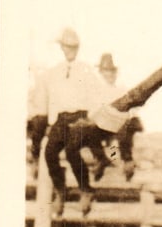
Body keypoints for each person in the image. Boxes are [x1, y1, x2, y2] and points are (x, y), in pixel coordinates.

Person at [32, 27, 107, 216]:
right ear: (62, 48)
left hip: (80, 117)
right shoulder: (55, 71)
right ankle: (60, 190)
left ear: (78, 48)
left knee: (73, 149)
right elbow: (49, 98)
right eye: (66, 47)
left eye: (73, 47)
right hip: (62, 118)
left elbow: (98, 96)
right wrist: (51, 121)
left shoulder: (86, 69)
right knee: (50, 152)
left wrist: (90, 119)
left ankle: (86, 189)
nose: (69, 50)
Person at [81, 53, 143, 182]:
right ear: (101, 72)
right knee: (89, 131)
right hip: (103, 127)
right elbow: (92, 112)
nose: (109, 74)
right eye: (106, 71)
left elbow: (132, 109)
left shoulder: (121, 89)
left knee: (125, 130)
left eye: (111, 71)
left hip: (120, 126)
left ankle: (127, 162)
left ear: (115, 72)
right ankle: (101, 160)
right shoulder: (97, 90)